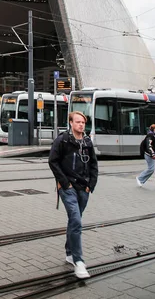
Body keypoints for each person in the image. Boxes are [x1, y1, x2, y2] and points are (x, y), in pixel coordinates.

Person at [48, 111, 98, 280]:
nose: (81, 125)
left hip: (83, 188)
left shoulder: (87, 142)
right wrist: (65, 182)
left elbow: (93, 164)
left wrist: (90, 185)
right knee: (76, 220)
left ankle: (70, 253)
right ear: (70, 123)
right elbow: (52, 161)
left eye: (83, 122)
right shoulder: (63, 140)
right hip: (67, 187)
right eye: (77, 122)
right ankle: (79, 261)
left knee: (74, 221)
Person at [136, 124, 155, 189]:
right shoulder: (150, 136)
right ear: (152, 129)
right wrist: (152, 154)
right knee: (151, 169)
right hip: (150, 155)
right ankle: (140, 178)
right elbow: (148, 146)